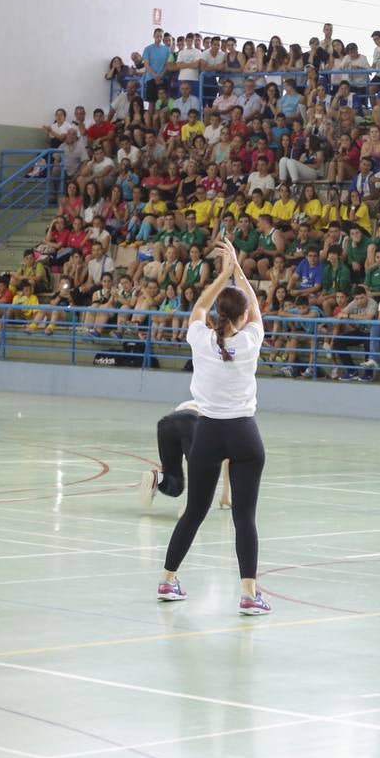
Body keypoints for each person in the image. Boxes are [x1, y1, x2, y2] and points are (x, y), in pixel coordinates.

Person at [158, 238, 271, 616]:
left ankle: (167, 579)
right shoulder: (252, 340)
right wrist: (238, 269)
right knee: (244, 518)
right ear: (240, 319)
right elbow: (255, 308)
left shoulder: (201, 339)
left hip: (207, 433)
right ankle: (249, 593)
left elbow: (198, 307)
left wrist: (222, 274)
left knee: (194, 511)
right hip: (244, 435)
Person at [140, 400, 231, 509]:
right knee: (204, 473)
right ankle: (190, 510)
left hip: (166, 423)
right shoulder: (226, 412)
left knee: (175, 484)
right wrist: (226, 495)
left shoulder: (198, 399)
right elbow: (228, 460)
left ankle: (156, 477)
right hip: (194, 422)